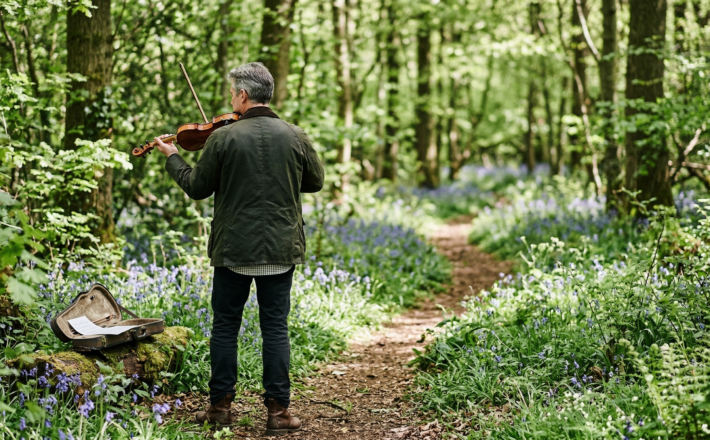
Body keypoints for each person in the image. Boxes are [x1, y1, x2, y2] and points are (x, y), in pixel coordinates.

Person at [153, 62, 324, 436]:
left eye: (233, 93)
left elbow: (197, 188)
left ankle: (219, 409)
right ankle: (278, 414)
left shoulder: (223, 139)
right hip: (280, 249)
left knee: (226, 327)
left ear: (243, 96)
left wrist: (171, 156)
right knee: (275, 328)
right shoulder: (295, 135)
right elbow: (315, 182)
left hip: (233, 250)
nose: (231, 100)